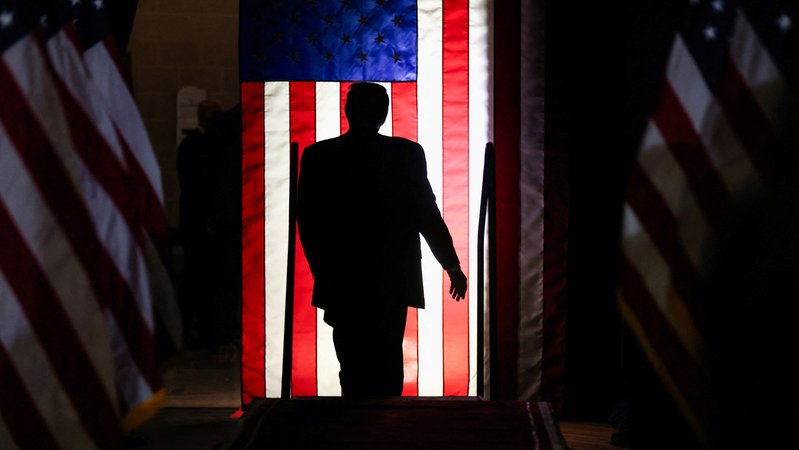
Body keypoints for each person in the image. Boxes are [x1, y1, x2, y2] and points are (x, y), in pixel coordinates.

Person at [296, 82, 467, 397]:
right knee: (387, 355)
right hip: (392, 275)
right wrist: (452, 266)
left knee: (350, 358)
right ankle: (387, 420)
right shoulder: (406, 154)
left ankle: (354, 419)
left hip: (341, 274)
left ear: (348, 112)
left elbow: (308, 220)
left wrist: (322, 268)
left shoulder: (319, 155)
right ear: (383, 114)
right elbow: (426, 214)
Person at [176, 99, 221, 348]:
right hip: (199, 223)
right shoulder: (197, 145)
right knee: (198, 278)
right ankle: (196, 329)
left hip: (197, 222)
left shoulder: (192, 145)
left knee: (203, 278)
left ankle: (201, 329)